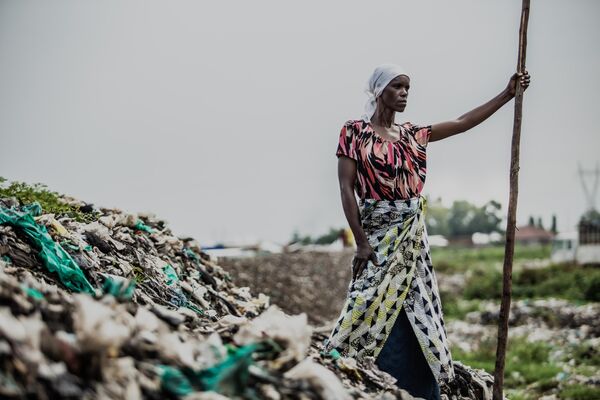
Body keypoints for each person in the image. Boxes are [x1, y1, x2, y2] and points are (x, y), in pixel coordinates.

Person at [322, 64, 530, 399]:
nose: (404, 93)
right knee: (366, 302)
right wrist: (360, 242)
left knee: (419, 305)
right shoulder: (354, 132)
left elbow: (463, 123)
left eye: (408, 88)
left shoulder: (412, 135)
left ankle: (420, 387)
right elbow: (346, 189)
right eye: (398, 87)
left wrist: (507, 94)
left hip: (412, 237)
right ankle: (356, 374)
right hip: (377, 235)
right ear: (379, 91)